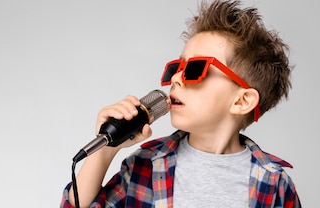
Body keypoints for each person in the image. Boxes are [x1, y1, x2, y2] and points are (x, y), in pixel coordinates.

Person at [61, 0, 300, 207]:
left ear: (241, 101)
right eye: (178, 68)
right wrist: (104, 152)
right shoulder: (145, 165)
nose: (176, 78)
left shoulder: (275, 184)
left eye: (195, 69)